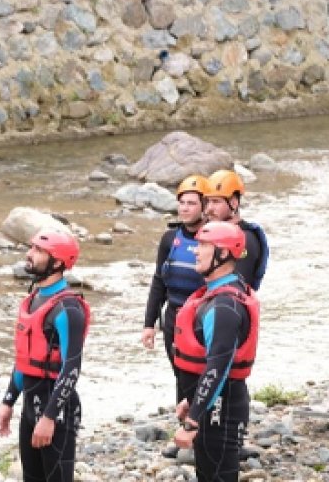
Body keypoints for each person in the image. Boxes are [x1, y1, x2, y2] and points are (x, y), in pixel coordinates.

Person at [171, 221, 260, 482]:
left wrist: (193, 420)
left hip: (222, 409)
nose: (195, 251)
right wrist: (193, 401)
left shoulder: (224, 307)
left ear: (222, 253)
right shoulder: (217, 295)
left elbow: (217, 368)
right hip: (215, 406)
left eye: (203, 245)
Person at [0, 229, 89, 482]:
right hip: (30, 406)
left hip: (57, 411)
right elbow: (24, 359)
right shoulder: (33, 300)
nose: (29, 254)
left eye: (38, 250)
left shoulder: (68, 309)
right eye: (32, 247)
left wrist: (49, 417)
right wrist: (8, 401)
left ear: (57, 263)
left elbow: (71, 369)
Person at [142, 175, 208, 456]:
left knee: (204, 375)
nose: (185, 208)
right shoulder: (170, 239)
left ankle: (206, 431)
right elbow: (159, 281)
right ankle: (186, 432)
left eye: (191, 203)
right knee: (181, 374)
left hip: (202, 319)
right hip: (173, 318)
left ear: (204, 206)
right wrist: (149, 323)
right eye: (182, 203)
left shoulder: (213, 238)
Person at [202, 169, 269, 291]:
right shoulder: (218, 235)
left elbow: (238, 288)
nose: (209, 209)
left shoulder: (246, 239)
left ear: (233, 203)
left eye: (216, 201)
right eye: (208, 201)